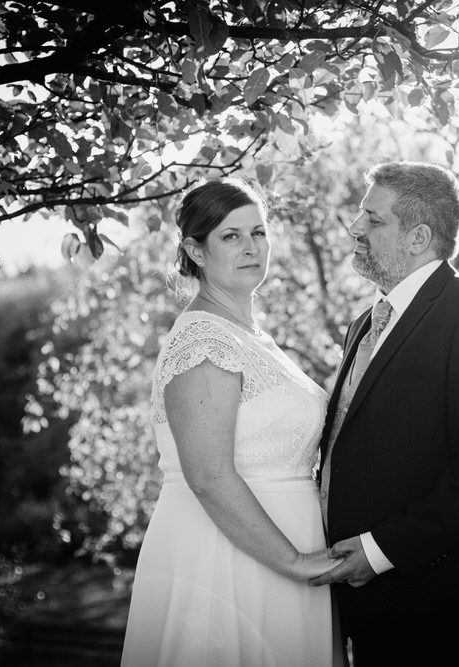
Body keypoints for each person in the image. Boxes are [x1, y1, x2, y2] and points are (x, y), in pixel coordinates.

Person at [311, 162, 459, 666]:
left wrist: (378, 552)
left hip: (451, 614)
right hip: (373, 613)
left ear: (418, 236)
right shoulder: (362, 327)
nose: (355, 229)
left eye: (372, 220)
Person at [121, 178, 343, 667]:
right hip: (229, 563)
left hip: (284, 557)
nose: (251, 248)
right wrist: (295, 562)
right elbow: (207, 475)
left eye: (258, 233)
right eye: (230, 236)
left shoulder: (251, 336)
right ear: (194, 251)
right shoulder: (204, 340)